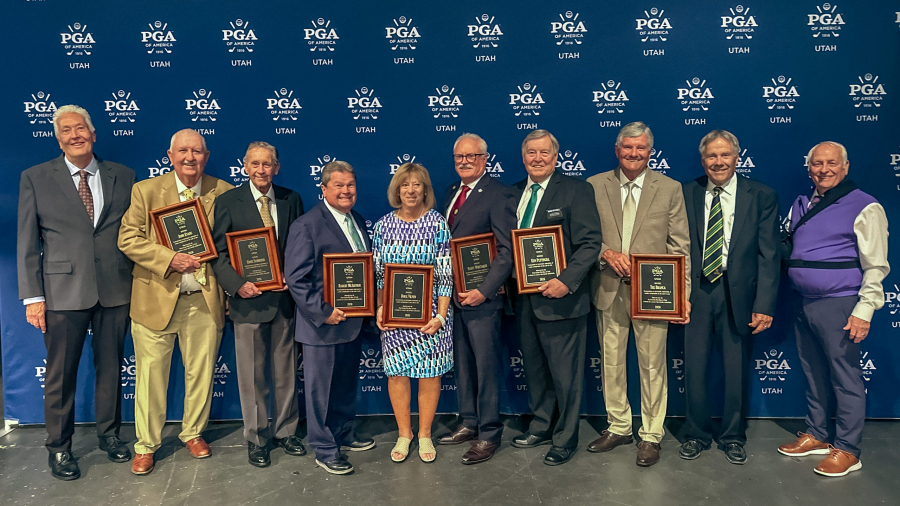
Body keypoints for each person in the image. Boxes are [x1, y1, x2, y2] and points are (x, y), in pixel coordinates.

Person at [17, 105, 134, 480]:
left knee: (111, 369)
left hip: (115, 289)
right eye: (66, 130)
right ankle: (59, 448)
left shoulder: (124, 176)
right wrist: (33, 298)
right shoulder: (35, 177)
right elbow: (26, 243)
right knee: (60, 374)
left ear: (94, 133)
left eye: (80, 128)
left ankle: (110, 435)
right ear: (58, 138)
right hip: (62, 292)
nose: (74, 135)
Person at [118, 129, 233, 475]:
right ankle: (146, 445)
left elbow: (233, 247)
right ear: (170, 155)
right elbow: (128, 238)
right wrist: (170, 258)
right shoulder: (146, 191)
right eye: (183, 151)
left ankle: (193, 433)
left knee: (201, 373)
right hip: (155, 301)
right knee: (151, 377)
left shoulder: (223, 191)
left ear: (206, 156)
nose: (190, 157)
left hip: (204, 300)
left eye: (197, 152)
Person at [777, 141, 889, 477]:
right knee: (813, 373)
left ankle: (848, 450)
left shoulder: (865, 206)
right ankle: (818, 435)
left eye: (831, 163)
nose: (824, 169)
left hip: (840, 303)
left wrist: (865, 309)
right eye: (817, 164)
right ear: (808, 168)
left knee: (845, 377)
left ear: (845, 167)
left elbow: (876, 266)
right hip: (803, 301)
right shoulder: (800, 204)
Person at [587, 121, 691, 467]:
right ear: (618, 151)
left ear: (650, 151)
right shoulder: (594, 185)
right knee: (612, 363)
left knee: (652, 366)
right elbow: (584, 236)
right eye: (628, 148)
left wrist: (683, 294)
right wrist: (606, 253)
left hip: (655, 293)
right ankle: (618, 426)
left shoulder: (670, 188)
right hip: (607, 288)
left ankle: (651, 434)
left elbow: (680, 246)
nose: (634, 154)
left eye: (641, 148)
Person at [679, 130, 780, 464]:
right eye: (711, 156)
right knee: (694, 368)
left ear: (737, 157)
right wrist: (678, 292)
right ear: (703, 159)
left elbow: (769, 254)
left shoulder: (761, 195)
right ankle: (696, 434)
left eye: (724, 156)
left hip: (739, 294)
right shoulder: (686, 192)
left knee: (735, 369)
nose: (718, 162)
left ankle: (733, 436)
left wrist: (764, 304)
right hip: (697, 292)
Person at [510, 130, 603, 466]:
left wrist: (566, 281)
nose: (538, 158)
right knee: (535, 370)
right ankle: (541, 425)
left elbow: (590, 243)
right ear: (523, 157)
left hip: (562, 300)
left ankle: (565, 437)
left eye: (544, 152)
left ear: (555, 156)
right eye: (532, 153)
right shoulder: (515, 192)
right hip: (524, 299)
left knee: (566, 376)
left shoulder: (577, 190)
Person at [211, 142, 305, 468]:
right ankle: (256, 438)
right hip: (247, 302)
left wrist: (297, 277)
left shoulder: (291, 199)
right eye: (255, 164)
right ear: (245, 166)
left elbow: (299, 246)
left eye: (267, 164)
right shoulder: (227, 201)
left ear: (276, 167)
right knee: (252, 377)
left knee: (285, 373)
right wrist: (238, 285)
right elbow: (218, 254)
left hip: (285, 301)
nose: (261, 170)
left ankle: (286, 431)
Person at [284, 160, 376, 475]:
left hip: (353, 323)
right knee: (320, 391)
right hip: (321, 327)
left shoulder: (359, 221)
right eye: (338, 185)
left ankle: (343, 433)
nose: (346, 191)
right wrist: (324, 312)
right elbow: (296, 278)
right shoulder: (307, 225)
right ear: (323, 189)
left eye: (350, 185)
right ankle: (324, 449)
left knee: (344, 387)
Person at [435, 133, 516, 465]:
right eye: (459, 157)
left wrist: (484, 288)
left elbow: (507, 250)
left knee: (484, 366)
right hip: (454, 297)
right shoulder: (452, 193)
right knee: (464, 366)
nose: (464, 162)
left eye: (471, 156)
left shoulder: (499, 193)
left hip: (483, 297)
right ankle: (469, 422)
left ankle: (489, 433)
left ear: (485, 159)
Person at [372, 162, 453, 464]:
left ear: (425, 190)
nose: (410, 190)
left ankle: (425, 434)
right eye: (405, 184)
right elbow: (380, 276)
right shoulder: (382, 226)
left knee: (430, 375)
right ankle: (404, 434)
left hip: (431, 316)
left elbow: (446, 274)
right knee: (398, 374)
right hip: (395, 316)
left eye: (417, 184)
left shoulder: (437, 224)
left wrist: (442, 315)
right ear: (397, 189)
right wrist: (381, 307)